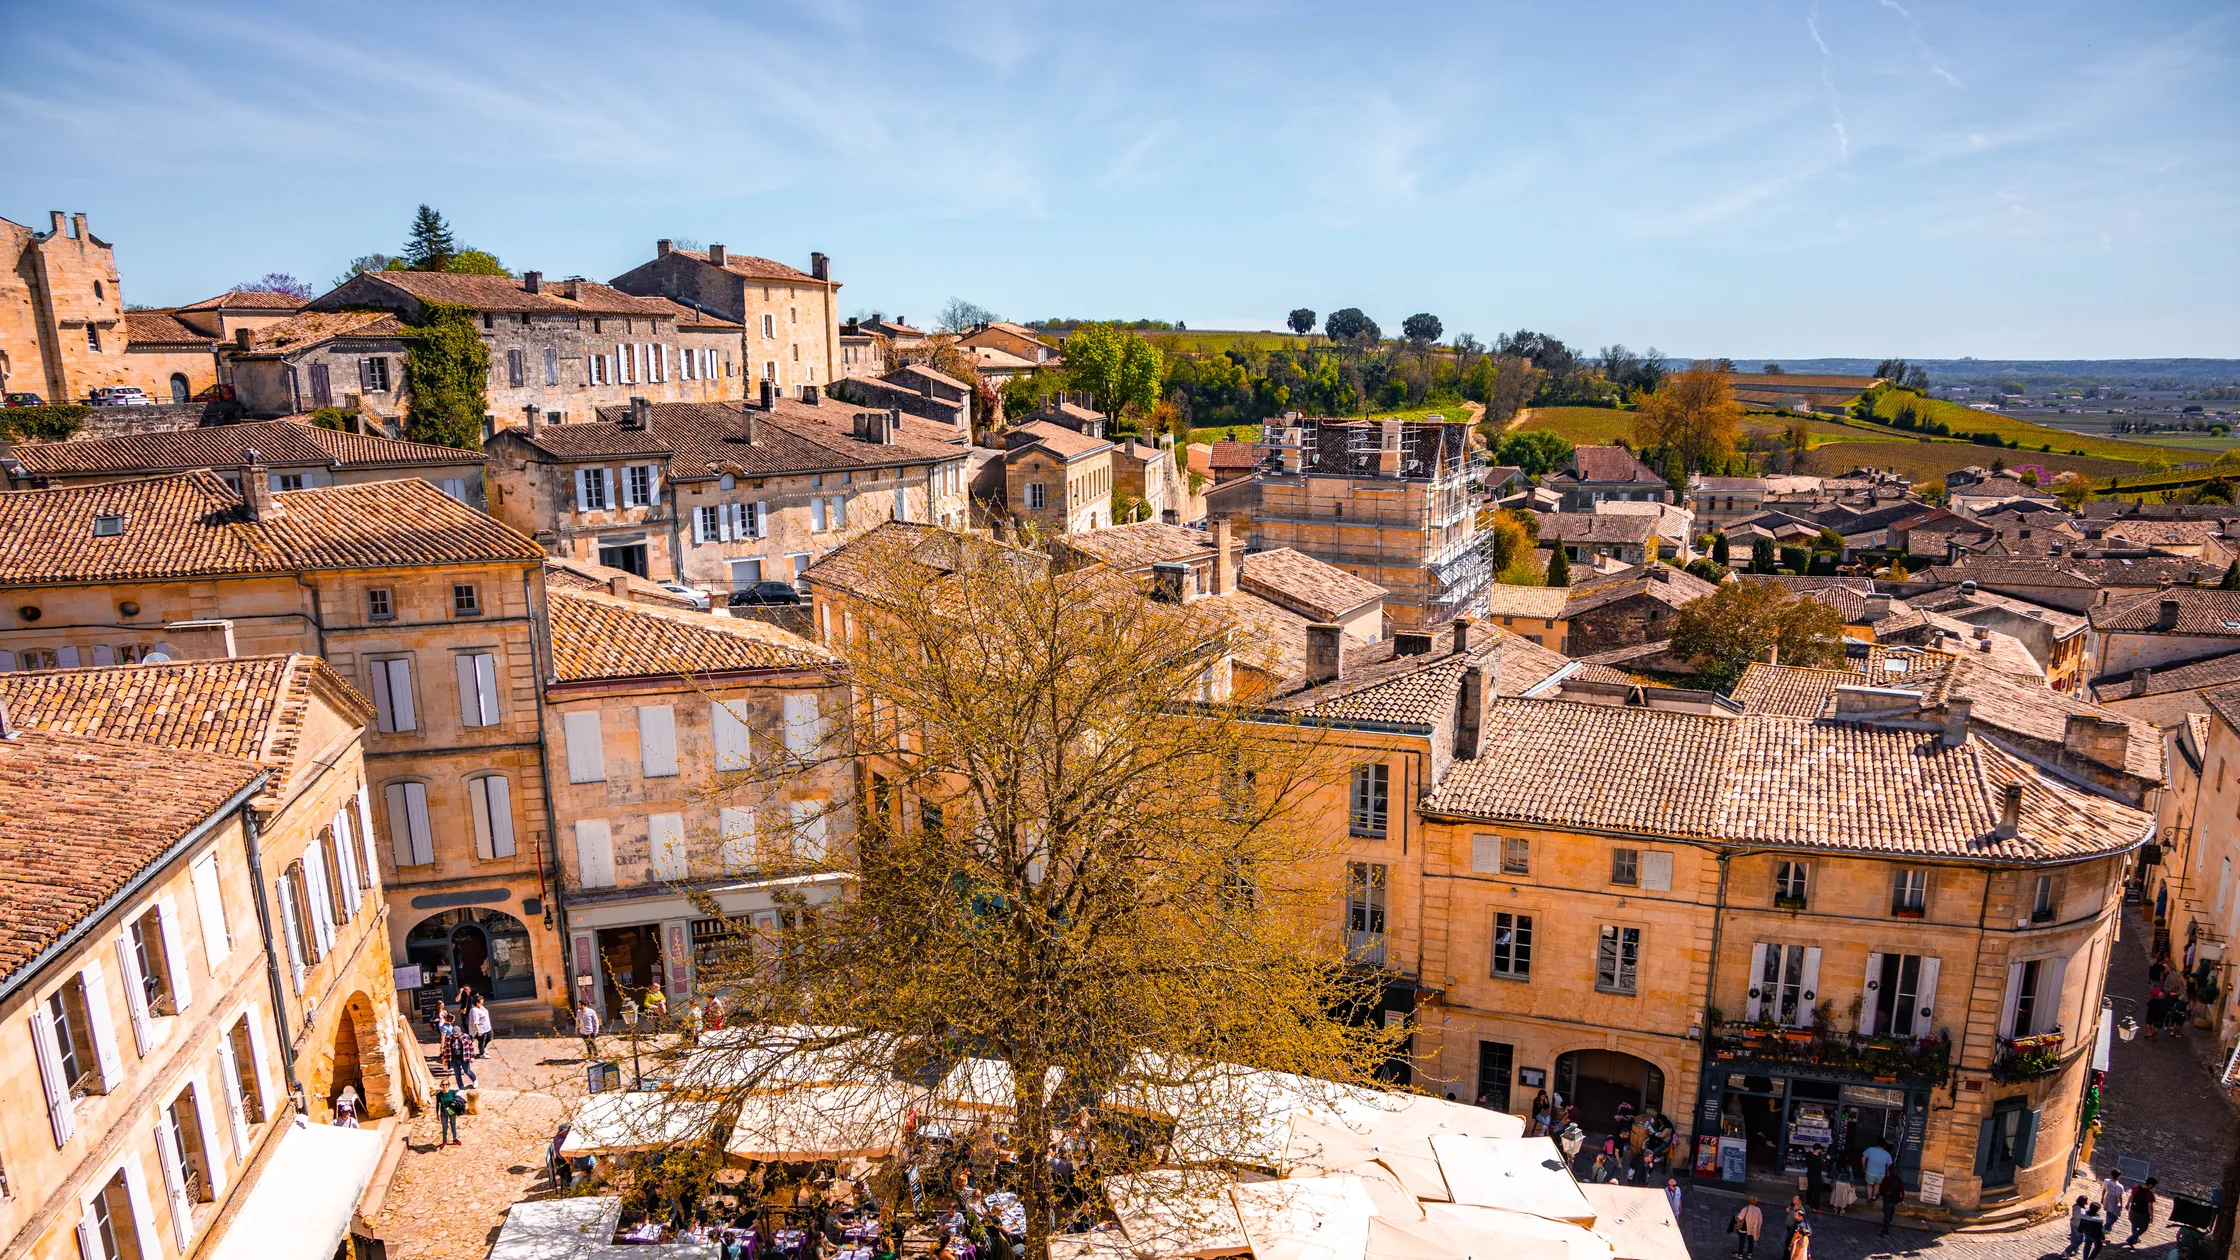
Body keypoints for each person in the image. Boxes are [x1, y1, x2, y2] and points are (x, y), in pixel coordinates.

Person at [2125, 1177, 2158, 1245]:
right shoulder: (2150, 1194)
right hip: (2143, 1215)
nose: (2153, 1187)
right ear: (2150, 1185)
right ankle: (2132, 1238)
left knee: (2134, 1224)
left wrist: (2128, 1204)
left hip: (2133, 1211)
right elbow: (2150, 1207)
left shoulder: (2136, 1188)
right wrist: (2151, 1216)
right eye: (2153, 1185)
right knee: (2143, 1228)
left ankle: (2135, 1238)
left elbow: (2131, 1197)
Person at [445, 1023, 478, 1088]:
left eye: (457, 1034)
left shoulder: (466, 1037)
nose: (456, 1035)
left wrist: (472, 1057)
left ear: (460, 1032)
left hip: (464, 1058)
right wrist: (445, 1059)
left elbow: (471, 1047)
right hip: (454, 1059)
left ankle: (474, 1079)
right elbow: (446, 1049)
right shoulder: (449, 1038)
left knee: (467, 1071)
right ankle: (461, 1087)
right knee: (457, 1074)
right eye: (454, 1034)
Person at [1732, 1195, 1763, 1260]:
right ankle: (1749, 1253)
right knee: (1751, 1240)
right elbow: (1760, 1220)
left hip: (1744, 1227)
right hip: (1752, 1228)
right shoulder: (1758, 1210)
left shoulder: (1746, 1209)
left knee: (1742, 1241)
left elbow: (1740, 1217)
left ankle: (1740, 1254)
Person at [436, 1083, 464, 1147]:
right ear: (441, 1085)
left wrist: (454, 1103)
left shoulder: (452, 1092)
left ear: (448, 1085)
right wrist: (437, 1114)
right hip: (443, 1112)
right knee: (444, 1127)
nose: (444, 1086)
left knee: (453, 1125)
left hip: (451, 1111)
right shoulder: (439, 1095)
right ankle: (444, 1141)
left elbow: (457, 1099)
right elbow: (437, 1105)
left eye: (446, 1084)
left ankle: (455, 1138)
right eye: (443, 1084)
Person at [1804, 1146, 1830, 1211]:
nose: (1821, 1151)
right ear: (1818, 1150)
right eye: (1820, 1149)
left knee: (1810, 1189)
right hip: (1817, 1176)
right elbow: (1824, 1168)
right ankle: (1815, 1206)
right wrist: (1827, 1160)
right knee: (1817, 1192)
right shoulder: (1818, 1159)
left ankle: (1808, 1203)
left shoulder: (1809, 1156)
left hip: (1810, 1175)